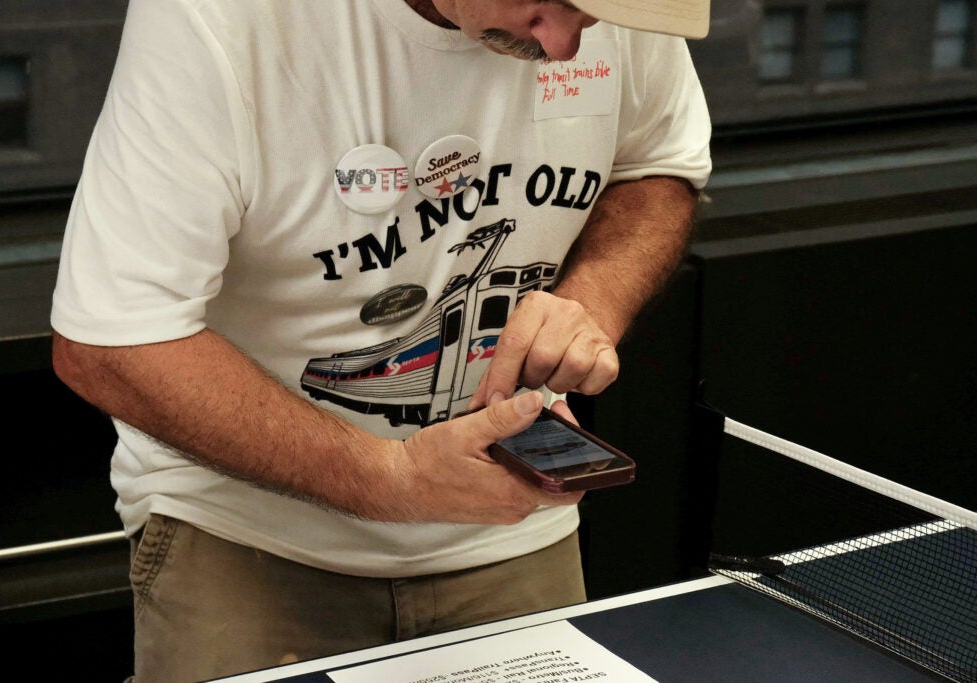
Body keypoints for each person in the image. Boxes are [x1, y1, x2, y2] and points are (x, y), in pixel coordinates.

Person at [50, 0, 712, 680]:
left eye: (592, 16)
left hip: (513, 521)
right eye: (547, 4)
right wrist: (390, 477)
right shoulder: (216, 17)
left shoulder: (620, 11)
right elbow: (111, 340)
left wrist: (590, 300)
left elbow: (659, 165)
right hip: (249, 536)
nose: (569, 45)